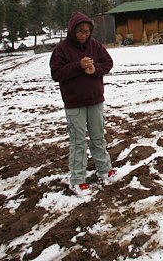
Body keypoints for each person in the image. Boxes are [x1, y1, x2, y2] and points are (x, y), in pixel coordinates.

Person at [50, 11, 118, 196]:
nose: (84, 35)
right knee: (78, 142)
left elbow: (108, 63)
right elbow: (56, 73)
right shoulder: (62, 49)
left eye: (87, 31)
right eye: (80, 31)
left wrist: (95, 69)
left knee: (98, 138)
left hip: (95, 99)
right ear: (73, 30)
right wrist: (78, 66)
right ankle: (78, 180)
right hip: (74, 103)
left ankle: (104, 170)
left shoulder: (95, 46)